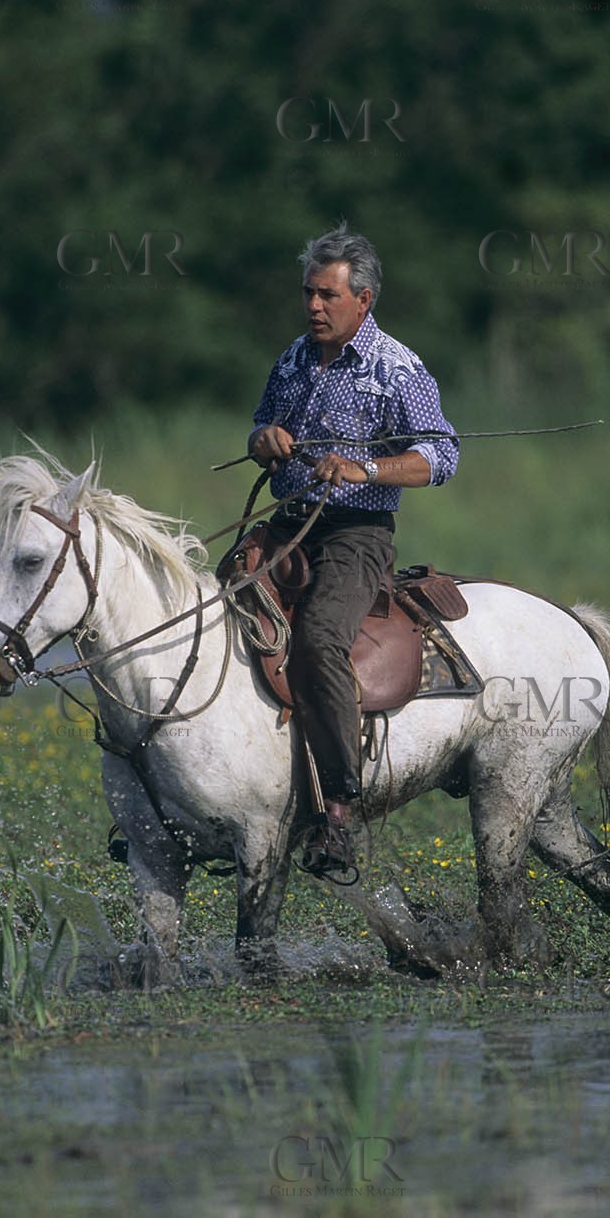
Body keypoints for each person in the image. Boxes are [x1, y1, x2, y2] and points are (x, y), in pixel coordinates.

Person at [248, 224, 459, 875]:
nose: (313, 306)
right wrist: (267, 442)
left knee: (316, 636)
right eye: (308, 294)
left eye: (327, 296)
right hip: (285, 522)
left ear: (362, 300)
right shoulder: (291, 358)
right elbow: (259, 426)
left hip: (355, 533)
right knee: (211, 607)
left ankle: (337, 812)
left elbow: (440, 456)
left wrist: (365, 470)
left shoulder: (396, 367)